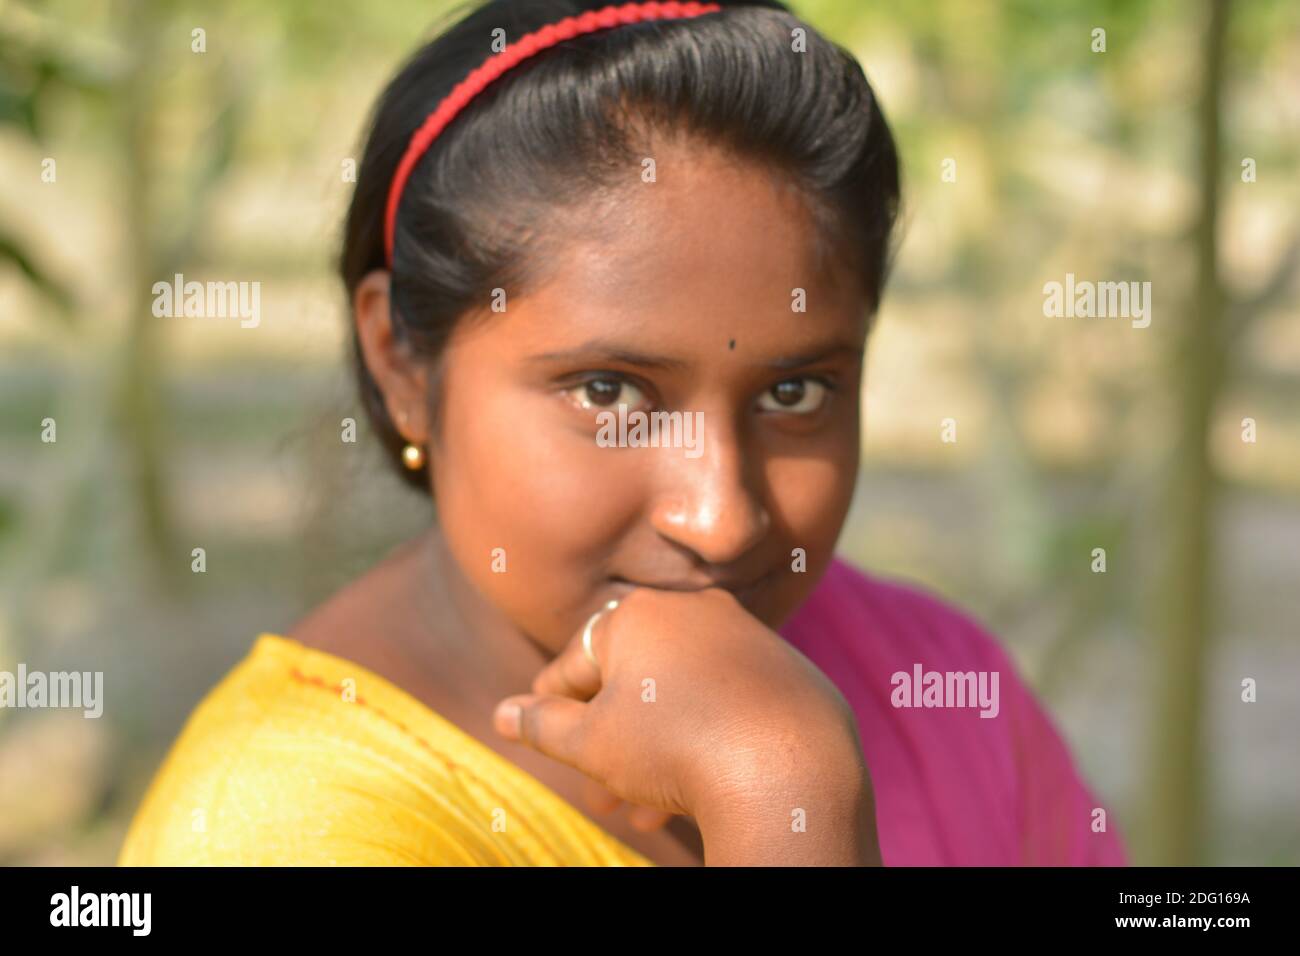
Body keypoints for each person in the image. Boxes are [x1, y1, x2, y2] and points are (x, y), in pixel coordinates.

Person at [118, 0, 1128, 867]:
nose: (720, 516)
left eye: (794, 392)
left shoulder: (931, 683)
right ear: (402, 364)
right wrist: (789, 804)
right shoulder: (290, 825)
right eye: (608, 390)